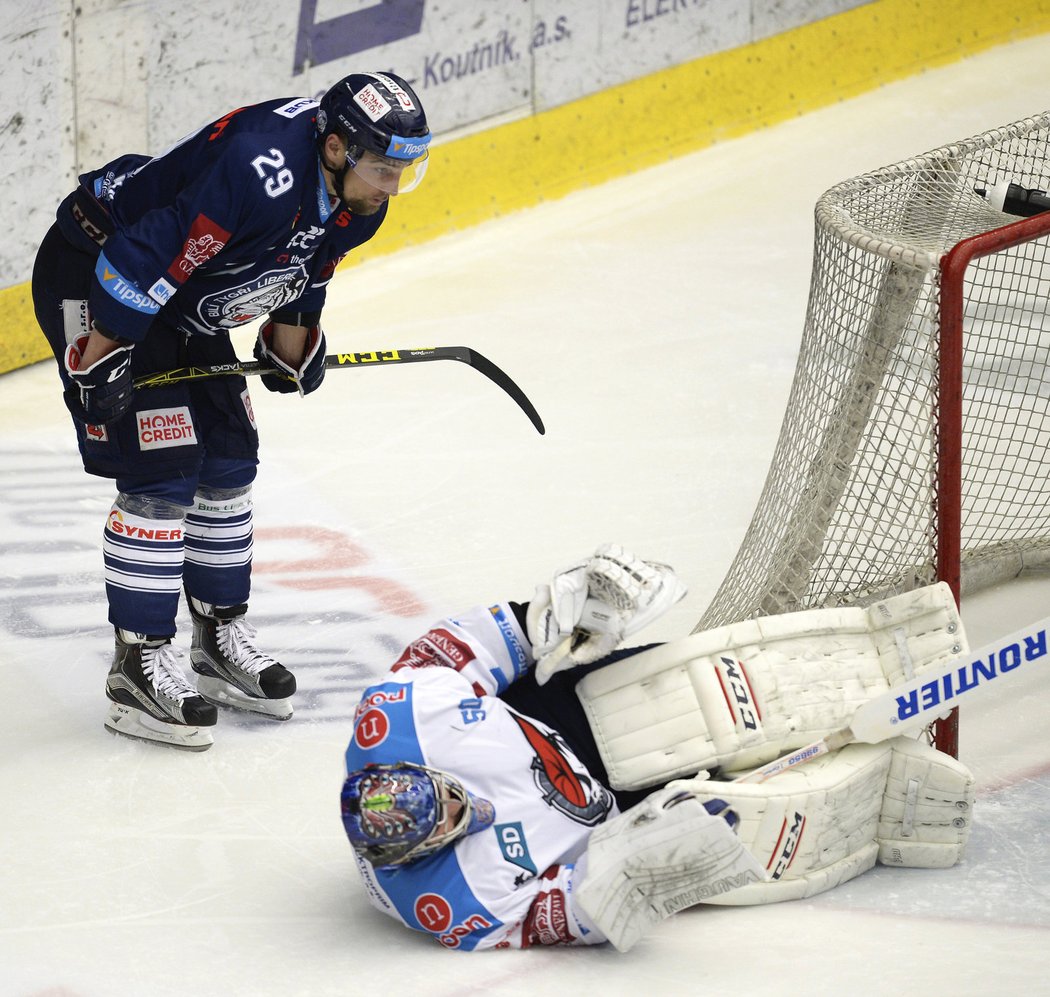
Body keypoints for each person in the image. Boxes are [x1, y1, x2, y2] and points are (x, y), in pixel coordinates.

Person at [31, 72, 431, 751]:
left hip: (180, 294)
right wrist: (99, 357)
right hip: (101, 269)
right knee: (162, 470)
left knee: (228, 461)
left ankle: (216, 639)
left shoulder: (357, 196)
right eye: (381, 168)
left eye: (404, 170)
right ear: (334, 148)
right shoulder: (259, 169)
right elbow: (148, 254)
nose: (390, 187)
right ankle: (137, 663)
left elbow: (307, 269)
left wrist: (292, 346)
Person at [340, 544, 977, 951]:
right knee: (726, 816)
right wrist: (634, 871)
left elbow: (490, 640)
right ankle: (886, 802)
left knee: (687, 703)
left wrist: (563, 616)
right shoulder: (447, 904)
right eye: (452, 823)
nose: (465, 807)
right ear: (418, 853)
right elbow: (561, 912)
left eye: (450, 793)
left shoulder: (401, 713)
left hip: (559, 715)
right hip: (616, 818)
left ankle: (880, 654)